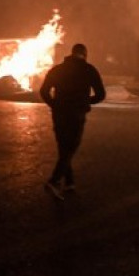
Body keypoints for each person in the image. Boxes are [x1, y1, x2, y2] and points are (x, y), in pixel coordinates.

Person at [39, 43, 106, 200]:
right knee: (71, 147)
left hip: (59, 113)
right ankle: (54, 181)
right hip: (76, 114)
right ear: (85, 55)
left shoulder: (57, 69)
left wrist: (54, 104)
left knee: (64, 147)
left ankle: (69, 183)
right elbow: (101, 94)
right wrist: (86, 102)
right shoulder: (89, 70)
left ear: (71, 54)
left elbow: (43, 91)